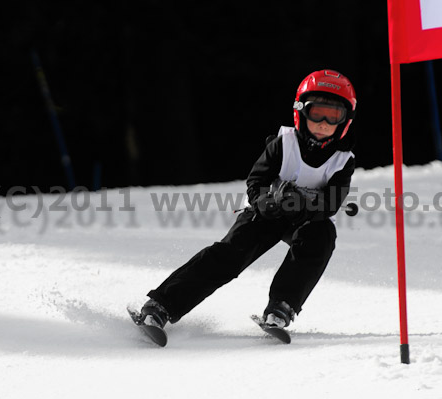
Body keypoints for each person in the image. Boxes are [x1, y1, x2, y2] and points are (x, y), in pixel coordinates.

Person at [137, 69, 357, 332]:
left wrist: (304, 205)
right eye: (316, 112)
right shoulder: (282, 144)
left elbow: (332, 202)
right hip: (268, 213)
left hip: (309, 219)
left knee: (321, 240)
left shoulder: (343, 160)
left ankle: (282, 307)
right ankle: (161, 305)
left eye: (333, 116)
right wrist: (268, 201)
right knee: (229, 255)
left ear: (345, 121)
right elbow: (256, 182)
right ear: (301, 112)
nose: (323, 122)